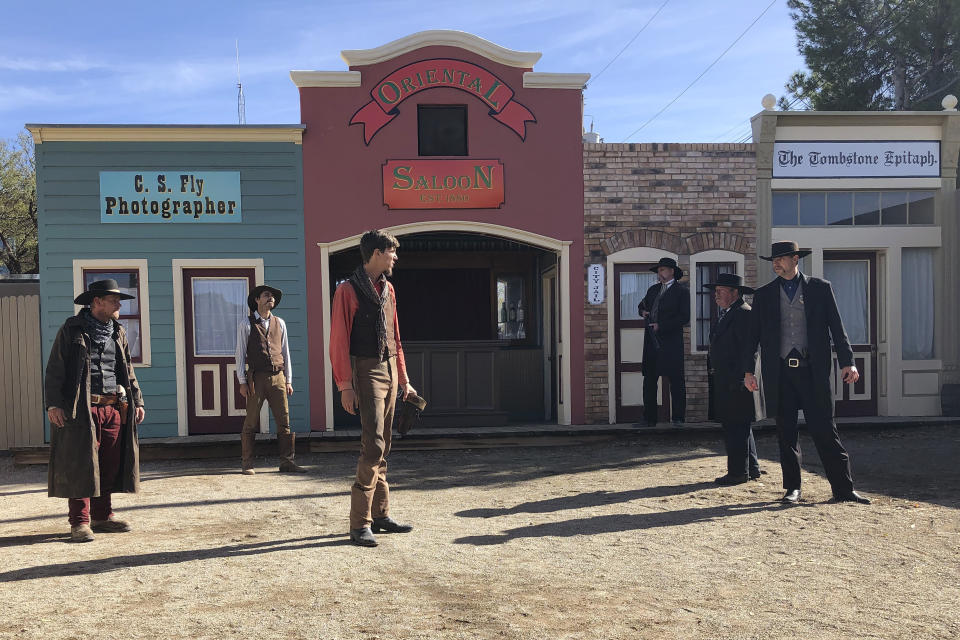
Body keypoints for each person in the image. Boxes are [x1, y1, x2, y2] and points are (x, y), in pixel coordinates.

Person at [744, 241, 870, 505]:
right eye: (773, 260)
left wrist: (849, 362)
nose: (776, 264)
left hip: (813, 371)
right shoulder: (764, 295)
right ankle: (793, 489)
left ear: (795, 259)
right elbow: (751, 337)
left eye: (781, 259)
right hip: (780, 373)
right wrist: (748, 371)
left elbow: (837, 327)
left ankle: (843, 489)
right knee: (786, 432)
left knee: (825, 429)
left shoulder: (820, 289)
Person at [330, 229, 417, 547]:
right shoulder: (347, 291)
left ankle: (380, 516)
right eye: (391, 252)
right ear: (377, 253)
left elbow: (396, 337)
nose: (395, 257)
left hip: (391, 368)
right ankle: (359, 524)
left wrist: (404, 378)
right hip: (365, 370)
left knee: (386, 444)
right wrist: (344, 385)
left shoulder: (389, 289)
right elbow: (338, 341)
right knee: (373, 445)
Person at [44, 279, 146, 542]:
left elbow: (128, 371)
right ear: (97, 302)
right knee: (81, 464)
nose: (119, 304)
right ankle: (79, 522)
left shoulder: (117, 332)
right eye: (114, 300)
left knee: (109, 463)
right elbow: (56, 369)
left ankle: (102, 517)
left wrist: (138, 400)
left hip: (113, 408)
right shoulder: (72, 329)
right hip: (81, 410)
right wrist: (54, 404)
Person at [236, 284, 306, 475]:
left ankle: (287, 462)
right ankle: (247, 463)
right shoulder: (246, 324)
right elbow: (240, 354)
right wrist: (242, 381)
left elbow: (286, 353)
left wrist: (288, 380)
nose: (271, 298)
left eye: (273, 297)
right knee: (250, 421)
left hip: (278, 378)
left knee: (284, 422)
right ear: (257, 300)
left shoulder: (280, 323)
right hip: (256, 379)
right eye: (266, 295)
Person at [704, 273, 762, 485]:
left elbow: (750, 348)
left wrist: (746, 374)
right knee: (739, 425)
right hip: (725, 378)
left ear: (735, 293)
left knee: (736, 426)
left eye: (721, 291)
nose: (716, 295)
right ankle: (752, 468)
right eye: (715, 291)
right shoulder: (728, 313)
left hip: (737, 380)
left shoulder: (744, 314)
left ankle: (738, 472)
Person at [637, 257, 690, 427]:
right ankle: (649, 418)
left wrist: (662, 326)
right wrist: (643, 312)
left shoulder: (681, 291)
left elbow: (684, 317)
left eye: (662, 270)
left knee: (676, 381)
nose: (660, 273)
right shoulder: (653, 290)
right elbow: (642, 305)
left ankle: (678, 418)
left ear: (671, 271)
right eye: (659, 271)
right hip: (652, 341)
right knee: (649, 380)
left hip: (671, 342)